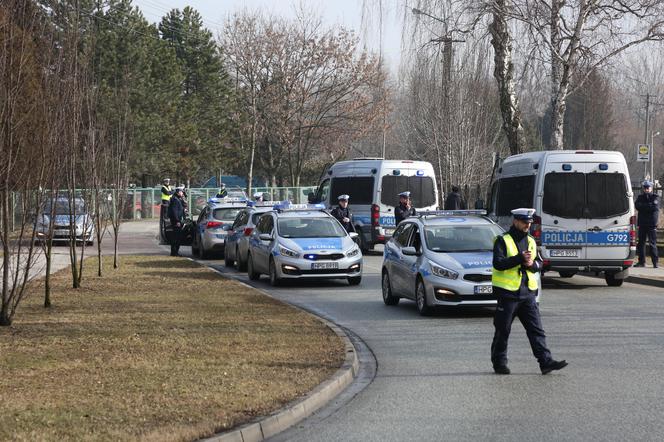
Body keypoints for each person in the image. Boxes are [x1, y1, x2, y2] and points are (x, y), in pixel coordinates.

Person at [491, 208, 568, 375]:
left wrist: (532, 265)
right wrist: (519, 259)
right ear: (515, 221)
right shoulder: (502, 241)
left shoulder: (531, 241)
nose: (528, 225)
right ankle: (499, 363)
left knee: (536, 330)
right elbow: (498, 263)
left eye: (530, 223)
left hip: (528, 294)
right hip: (508, 294)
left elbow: (542, 264)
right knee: (503, 330)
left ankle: (545, 362)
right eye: (525, 222)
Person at [634, 180, 659, 268]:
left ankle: (655, 263)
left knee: (652, 244)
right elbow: (637, 206)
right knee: (641, 243)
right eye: (645, 188)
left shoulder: (655, 197)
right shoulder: (640, 197)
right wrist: (647, 205)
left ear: (651, 188)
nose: (646, 189)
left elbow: (654, 207)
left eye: (648, 188)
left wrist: (643, 206)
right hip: (642, 224)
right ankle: (641, 262)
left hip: (652, 224)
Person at [167, 187, 186, 257]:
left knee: (177, 237)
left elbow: (180, 209)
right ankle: (174, 252)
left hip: (177, 221)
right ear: (178, 192)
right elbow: (174, 211)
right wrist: (177, 221)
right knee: (176, 237)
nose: (182, 193)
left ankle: (175, 252)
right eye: (181, 192)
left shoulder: (178, 199)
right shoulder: (175, 200)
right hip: (176, 221)